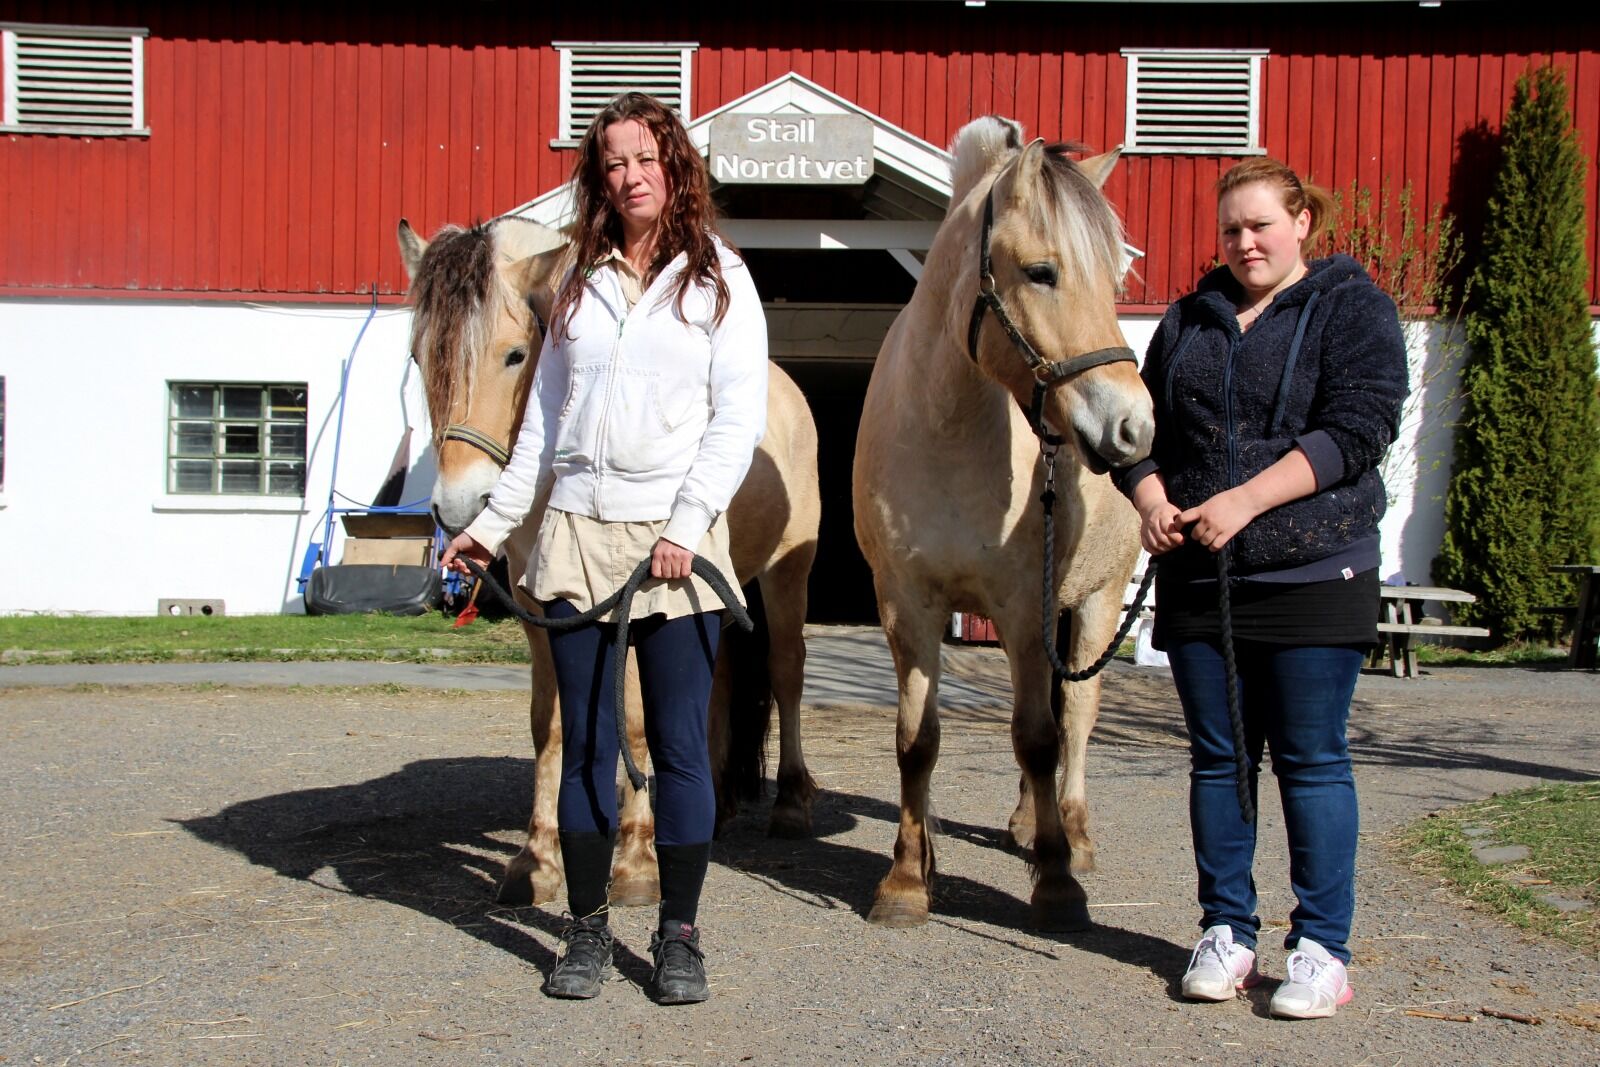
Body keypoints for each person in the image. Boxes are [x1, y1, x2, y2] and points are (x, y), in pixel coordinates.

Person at [441, 92, 768, 1005]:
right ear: (599, 177)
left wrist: (684, 525)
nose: (629, 176)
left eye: (644, 158)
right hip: (576, 535)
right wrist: (490, 528)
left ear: (675, 168)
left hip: (677, 544)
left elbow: (734, 424)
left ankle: (680, 935)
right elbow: (543, 429)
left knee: (678, 748)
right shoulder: (578, 286)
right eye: (613, 162)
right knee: (584, 744)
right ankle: (585, 931)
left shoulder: (722, 283)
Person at [1116, 157, 1407, 1019]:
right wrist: (1149, 495)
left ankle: (1320, 947)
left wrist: (1244, 499)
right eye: (1231, 229)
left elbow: (1360, 429)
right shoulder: (1188, 321)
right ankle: (1226, 931)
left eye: (1261, 226)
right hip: (1204, 578)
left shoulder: (1353, 307)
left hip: (1315, 569)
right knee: (1220, 761)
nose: (1245, 242)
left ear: (1303, 222)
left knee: (1312, 761)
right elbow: (1140, 427)